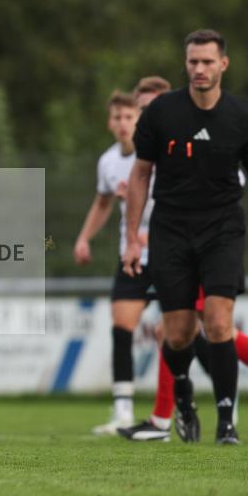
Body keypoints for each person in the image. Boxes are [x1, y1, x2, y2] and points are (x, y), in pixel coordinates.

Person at [122, 30, 248, 445]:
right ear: (186, 64)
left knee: (218, 323)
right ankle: (182, 394)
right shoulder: (162, 112)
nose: (199, 69)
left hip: (222, 229)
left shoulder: (242, 116)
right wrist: (131, 238)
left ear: (223, 65)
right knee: (177, 333)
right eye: (193, 62)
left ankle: (227, 425)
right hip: (171, 230)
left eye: (207, 62)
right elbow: (140, 174)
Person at [73, 90, 149, 434]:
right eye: (117, 117)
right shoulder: (108, 162)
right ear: (109, 122)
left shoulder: (155, 157)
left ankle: (216, 402)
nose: (123, 123)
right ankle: (122, 412)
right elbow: (103, 203)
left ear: (139, 119)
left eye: (129, 117)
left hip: (169, 253)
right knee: (121, 326)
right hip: (130, 255)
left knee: (186, 333)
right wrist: (84, 238)